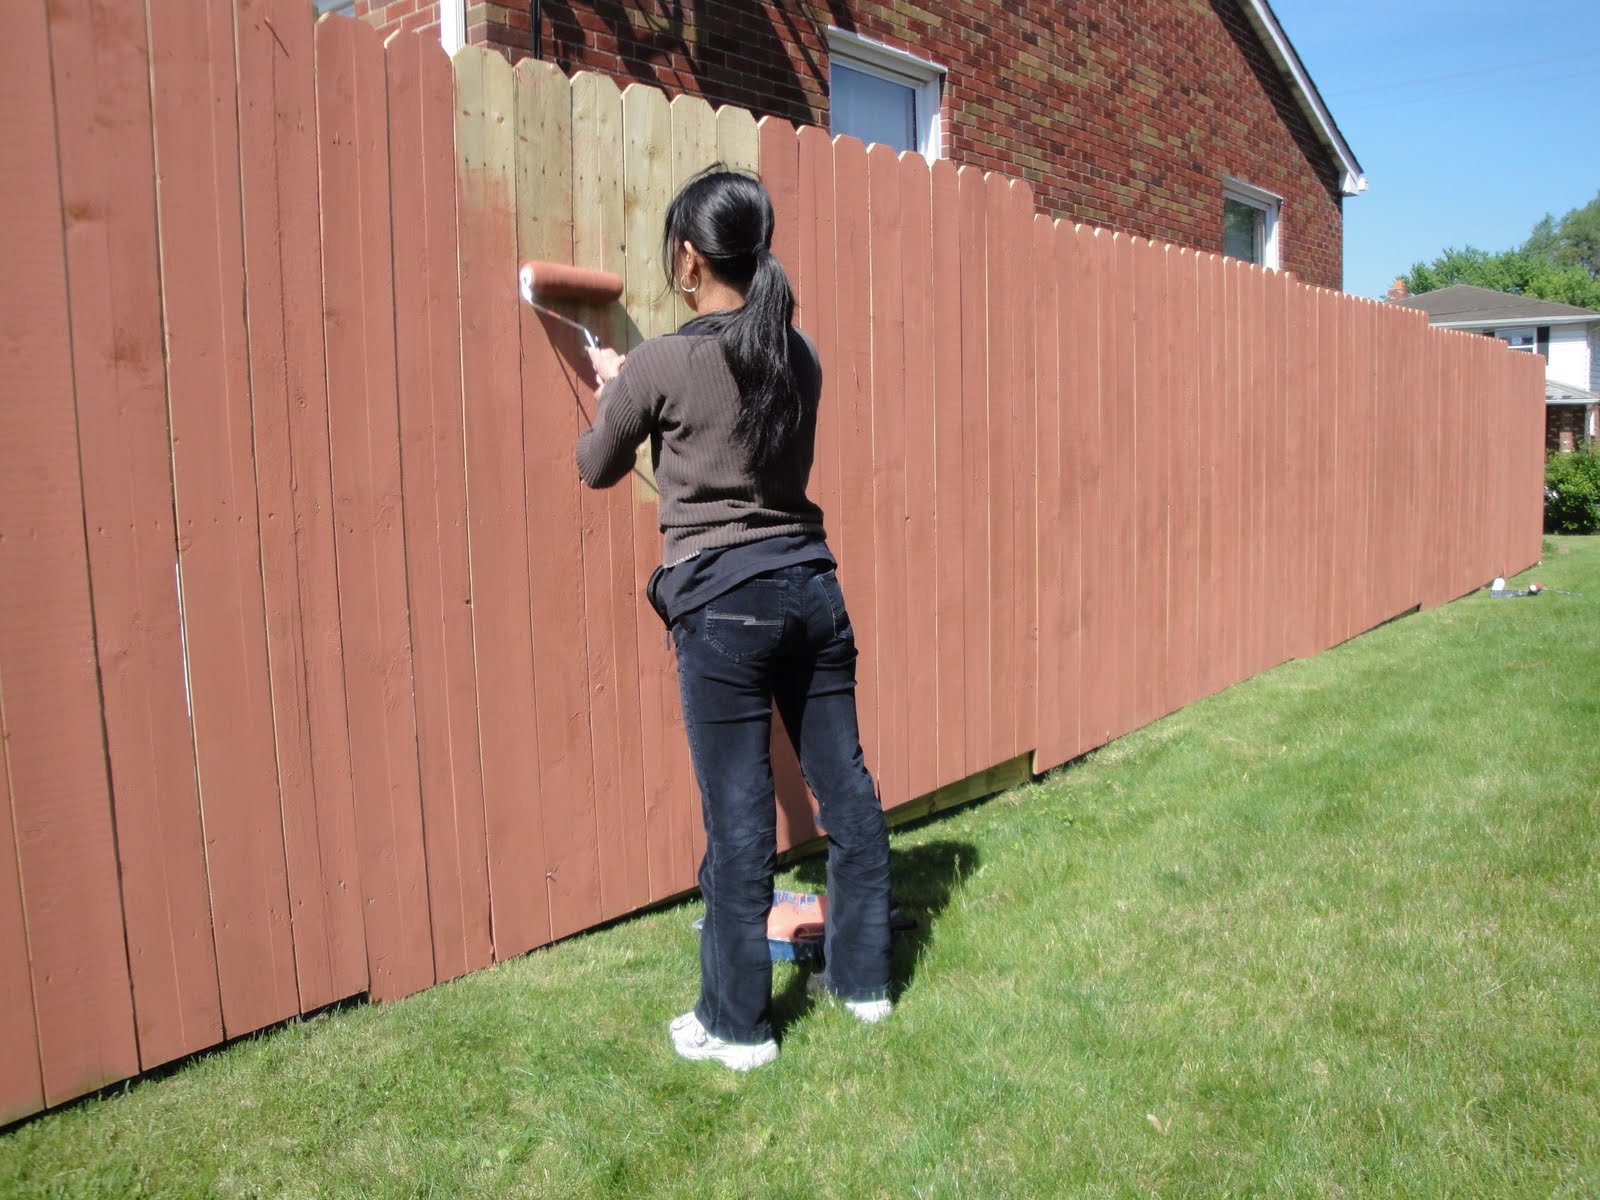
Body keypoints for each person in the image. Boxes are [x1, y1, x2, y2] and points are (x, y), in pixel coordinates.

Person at [575, 167, 892, 1071]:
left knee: (742, 820)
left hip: (725, 607)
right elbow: (743, 427)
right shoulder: (804, 356)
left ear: (687, 258)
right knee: (849, 791)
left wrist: (617, 387)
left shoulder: (663, 363)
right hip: (813, 593)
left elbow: (596, 465)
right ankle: (865, 983)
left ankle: (736, 1025)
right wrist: (636, 381)